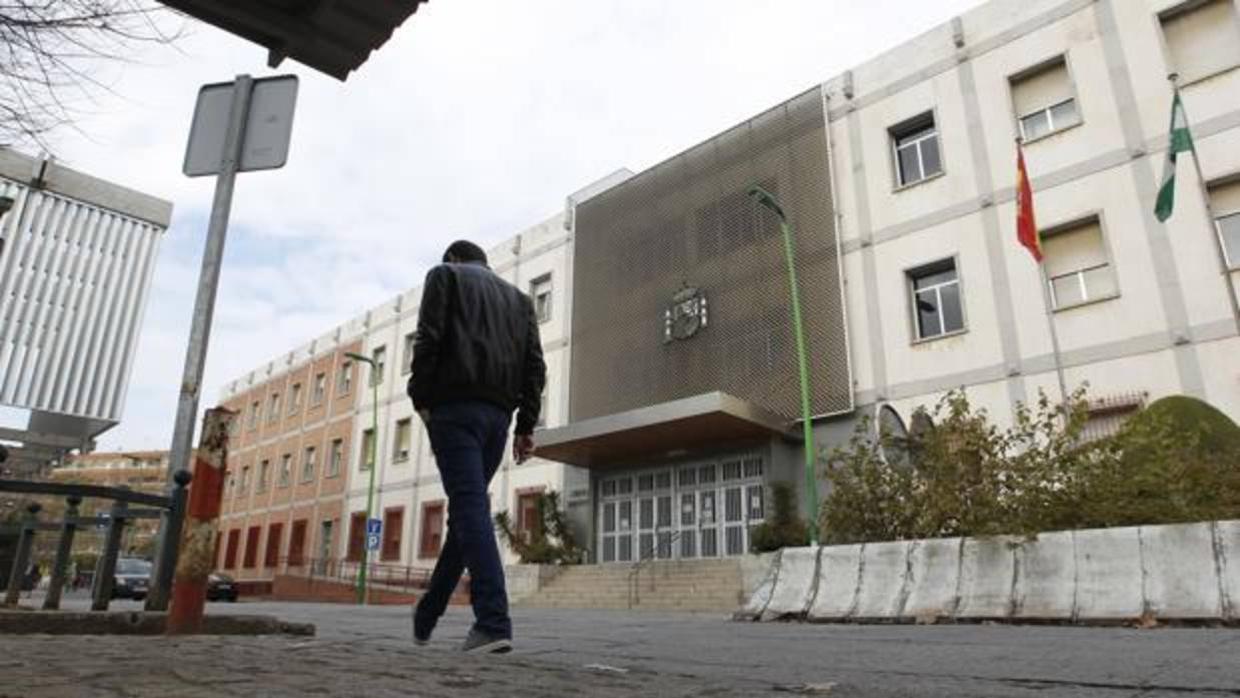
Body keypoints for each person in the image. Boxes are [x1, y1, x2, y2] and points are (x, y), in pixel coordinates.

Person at [407, 239, 546, 654]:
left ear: (453, 258)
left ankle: (492, 621)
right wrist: (525, 426)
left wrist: (421, 398)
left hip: (454, 411)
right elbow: (535, 366)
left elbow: (428, 339)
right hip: (497, 421)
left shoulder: (444, 276)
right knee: (465, 515)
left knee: (469, 509)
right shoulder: (521, 301)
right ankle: (429, 612)